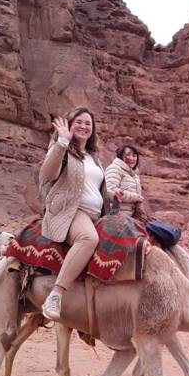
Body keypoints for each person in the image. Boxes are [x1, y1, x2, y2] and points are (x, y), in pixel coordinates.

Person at [39, 107, 109, 320]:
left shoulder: (94, 157)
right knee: (89, 238)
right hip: (70, 211)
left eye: (88, 123)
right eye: (79, 122)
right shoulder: (62, 149)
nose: (84, 126)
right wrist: (61, 142)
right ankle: (56, 294)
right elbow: (48, 172)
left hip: (96, 214)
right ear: (70, 125)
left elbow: (95, 187)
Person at [104, 144, 146, 218]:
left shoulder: (134, 175)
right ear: (120, 156)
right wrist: (136, 197)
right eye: (128, 155)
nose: (131, 158)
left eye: (134, 156)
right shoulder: (114, 168)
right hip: (116, 214)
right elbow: (110, 191)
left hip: (131, 216)